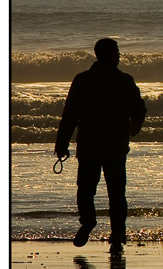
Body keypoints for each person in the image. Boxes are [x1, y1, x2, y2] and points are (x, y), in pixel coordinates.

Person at [55, 38, 146, 252]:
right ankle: (117, 237)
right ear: (111, 54)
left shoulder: (82, 80)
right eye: (117, 52)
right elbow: (139, 109)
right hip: (115, 147)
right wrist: (133, 128)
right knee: (116, 194)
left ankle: (88, 223)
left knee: (86, 190)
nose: (119, 56)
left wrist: (62, 143)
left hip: (89, 146)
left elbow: (69, 115)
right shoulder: (124, 80)